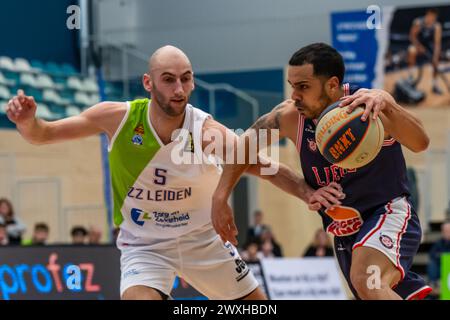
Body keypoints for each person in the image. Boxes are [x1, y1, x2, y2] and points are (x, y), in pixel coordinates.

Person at [4, 45, 341, 300]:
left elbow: (263, 166)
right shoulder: (117, 119)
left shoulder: (206, 131)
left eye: (186, 78)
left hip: (203, 241)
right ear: (148, 82)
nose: (179, 89)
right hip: (145, 245)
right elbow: (43, 134)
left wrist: (305, 190)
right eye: (168, 80)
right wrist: (27, 122)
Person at [212, 42, 432, 300]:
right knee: (371, 289)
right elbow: (245, 146)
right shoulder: (290, 117)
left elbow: (421, 143)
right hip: (344, 231)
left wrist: (388, 104)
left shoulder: (369, 107)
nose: (294, 95)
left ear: (331, 85)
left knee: (367, 281)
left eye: (303, 87)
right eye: (292, 86)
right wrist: (220, 196)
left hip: (388, 212)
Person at [407, 8, 444, 94]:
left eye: (434, 17)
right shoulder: (418, 22)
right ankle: (411, 76)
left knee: (436, 61)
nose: (432, 19)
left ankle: (435, 85)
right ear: (428, 14)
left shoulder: (437, 26)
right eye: (431, 16)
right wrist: (419, 46)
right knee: (411, 50)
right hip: (418, 45)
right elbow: (412, 36)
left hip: (429, 47)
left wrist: (435, 57)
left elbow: (437, 44)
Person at [427, 221, 450, 291]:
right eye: (445, 231)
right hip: (441, 265)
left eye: (448, 231)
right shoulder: (439, 243)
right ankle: (434, 283)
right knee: (432, 263)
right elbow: (432, 254)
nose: (447, 233)